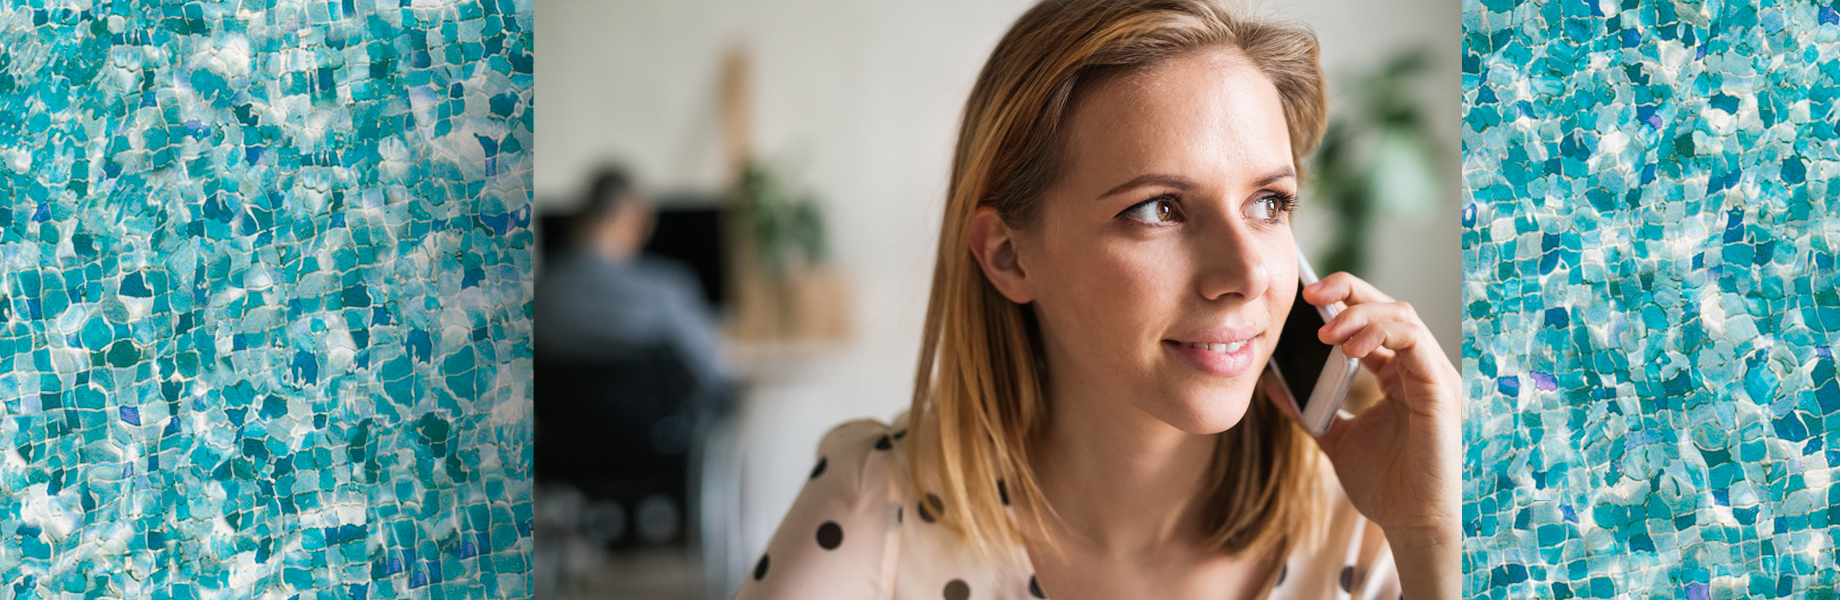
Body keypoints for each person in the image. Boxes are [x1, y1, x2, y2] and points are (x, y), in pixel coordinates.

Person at [734, 0, 1463, 598]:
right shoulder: (876, 509)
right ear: (1008, 255)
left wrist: (1432, 539)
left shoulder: (1377, 521)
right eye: (1158, 210)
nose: (1245, 273)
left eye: (1270, 202)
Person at [534, 165, 732, 546]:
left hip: (564, 454)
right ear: (635, 218)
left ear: (581, 217)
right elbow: (715, 376)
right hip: (661, 449)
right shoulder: (664, 291)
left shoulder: (538, 297)